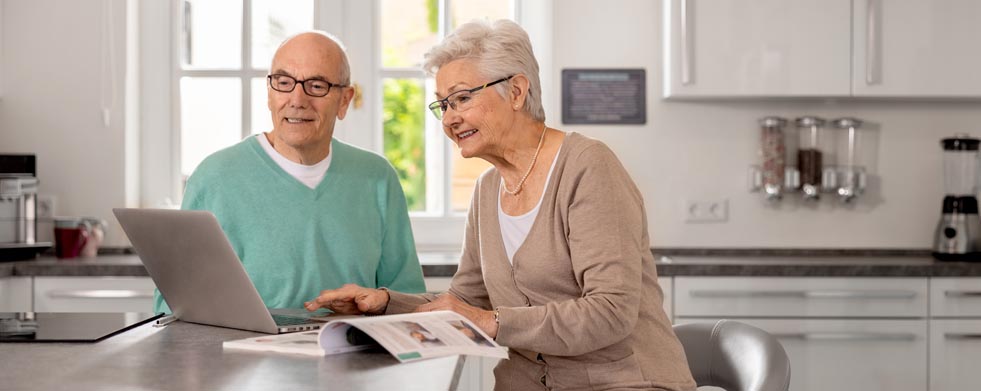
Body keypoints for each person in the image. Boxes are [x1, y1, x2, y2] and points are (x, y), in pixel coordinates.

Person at [305, 20, 696, 390]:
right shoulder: (487, 188)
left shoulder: (588, 166)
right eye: (443, 105)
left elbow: (610, 312)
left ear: (516, 91)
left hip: (627, 382)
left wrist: (492, 322)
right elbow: (466, 302)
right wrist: (386, 303)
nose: (450, 118)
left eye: (461, 98)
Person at [154, 31, 426, 313]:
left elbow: (407, 299)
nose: (297, 99)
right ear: (269, 93)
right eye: (284, 83)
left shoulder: (378, 178)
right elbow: (173, 307)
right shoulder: (214, 178)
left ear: (344, 100)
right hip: (244, 354)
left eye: (317, 86)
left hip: (354, 352)